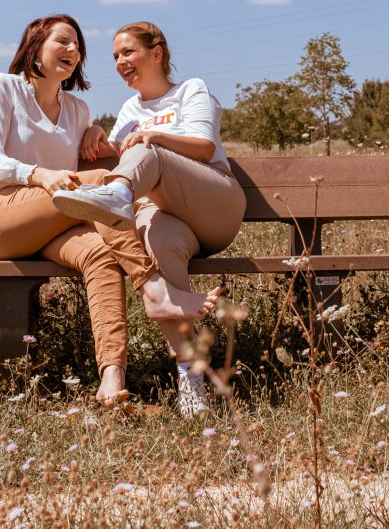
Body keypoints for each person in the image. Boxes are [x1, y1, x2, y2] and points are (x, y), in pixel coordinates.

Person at [0, 14, 219, 409]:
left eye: (77, 46)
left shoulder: (77, 110)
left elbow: (101, 150)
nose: (72, 50)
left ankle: (112, 379)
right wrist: (38, 174)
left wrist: (95, 134)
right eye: (62, 42)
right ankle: (153, 289)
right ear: (35, 46)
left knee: (101, 254)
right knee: (99, 183)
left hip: (48, 226)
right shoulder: (3, 88)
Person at [52, 21, 246, 416]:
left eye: (128, 52)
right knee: (156, 245)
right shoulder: (130, 109)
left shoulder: (190, 90)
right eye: (115, 57)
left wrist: (153, 137)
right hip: (169, 219)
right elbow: (116, 151)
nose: (120, 62)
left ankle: (118, 196)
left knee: (148, 151)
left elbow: (205, 146)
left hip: (214, 203)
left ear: (156, 53)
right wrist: (93, 132)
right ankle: (191, 383)